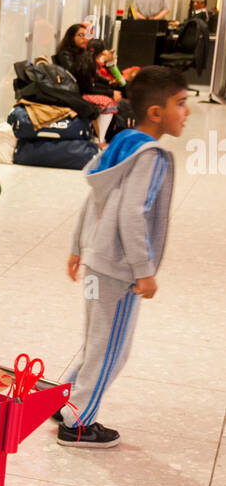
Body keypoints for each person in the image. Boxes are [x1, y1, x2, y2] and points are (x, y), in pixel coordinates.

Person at [56, 66, 189, 448]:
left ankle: (64, 399)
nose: (187, 112)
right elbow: (133, 214)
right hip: (119, 269)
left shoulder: (122, 142)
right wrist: (144, 270)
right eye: (180, 103)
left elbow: (94, 195)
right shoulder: (152, 157)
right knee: (112, 349)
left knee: (96, 341)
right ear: (156, 113)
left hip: (98, 260)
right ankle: (78, 424)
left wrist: (77, 247)